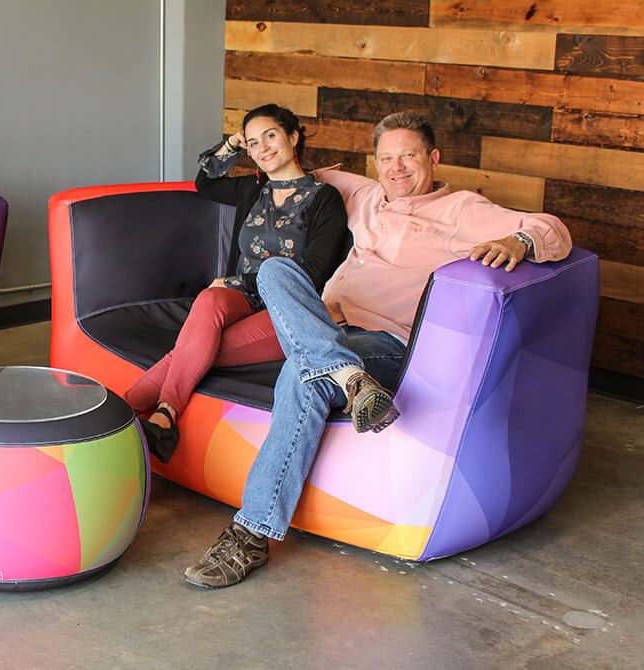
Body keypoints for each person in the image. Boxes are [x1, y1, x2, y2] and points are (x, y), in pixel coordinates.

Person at [183, 111, 573, 589]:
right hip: (324, 329)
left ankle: (251, 534)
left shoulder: (464, 209)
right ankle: (349, 379)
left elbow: (552, 228)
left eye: (408, 155)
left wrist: (518, 240)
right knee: (276, 271)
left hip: (389, 343)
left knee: (300, 376)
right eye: (386, 158)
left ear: (433, 158)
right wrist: (245, 142)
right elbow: (272, 162)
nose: (397, 168)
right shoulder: (363, 194)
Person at [124, 104, 351, 463]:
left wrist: (236, 279)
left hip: (290, 310)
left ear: (293, 137)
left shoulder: (324, 199)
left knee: (196, 348)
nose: (263, 149)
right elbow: (206, 182)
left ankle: (129, 412)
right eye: (253, 143)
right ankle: (158, 418)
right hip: (242, 298)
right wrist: (231, 143)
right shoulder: (253, 189)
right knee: (210, 300)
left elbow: (313, 272)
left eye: (271, 136)